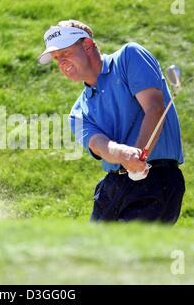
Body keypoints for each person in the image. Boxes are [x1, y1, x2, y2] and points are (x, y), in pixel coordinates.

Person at [38, 20, 185, 223]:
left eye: (65, 53)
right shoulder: (78, 112)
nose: (61, 63)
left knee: (129, 252)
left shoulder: (129, 57)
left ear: (88, 45)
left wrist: (138, 156)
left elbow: (154, 108)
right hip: (112, 187)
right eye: (56, 58)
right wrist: (124, 155)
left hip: (156, 180)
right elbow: (99, 145)